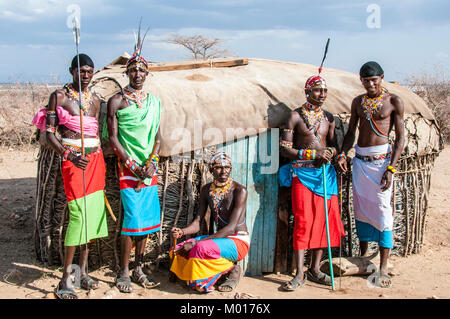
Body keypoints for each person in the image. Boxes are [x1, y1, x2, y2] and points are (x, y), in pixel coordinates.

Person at [32, 54, 108, 299]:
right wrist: (69, 155)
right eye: (81, 71)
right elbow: (51, 134)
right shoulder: (59, 97)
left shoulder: (95, 100)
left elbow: (98, 131)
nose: (85, 75)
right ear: (71, 71)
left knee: (91, 214)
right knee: (77, 215)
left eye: (89, 71)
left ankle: (83, 272)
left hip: (95, 160)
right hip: (74, 162)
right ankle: (65, 279)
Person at [337, 61, 405, 288]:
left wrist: (391, 168)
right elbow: (351, 132)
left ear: (382, 78)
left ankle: (384, 267)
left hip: (381, 162)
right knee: (362, 208)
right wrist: (342, 154)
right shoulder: (358, 102)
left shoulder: (393, 101)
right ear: (361, 80)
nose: (370, 84)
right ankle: (364, 257)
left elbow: (401, 138)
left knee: (384, 211)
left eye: (374, 80)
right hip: (360, 161)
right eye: (366, 80)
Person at [106, 31, 162, 293]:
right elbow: (113, 140)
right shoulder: (116, 101)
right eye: (133, 71)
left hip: (149, 169)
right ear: (126, 73)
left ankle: (139, 267)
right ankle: (124, 272)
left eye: (142, 71)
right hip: (128, 169)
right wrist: (131, 164)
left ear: (147, 74)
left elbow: (159, 139)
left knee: (148, 221)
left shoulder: (154, 103)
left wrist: (151, 162)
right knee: (131, 221)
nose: (137, 75)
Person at [278, 74, 345, 291]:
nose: (322, 95)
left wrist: (332, 152)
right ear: (307, 92)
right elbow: (285, 148)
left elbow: (335, 146)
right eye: (317, 90)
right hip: (302, 175)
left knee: (323, 223)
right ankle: (299, 274)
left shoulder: (329, 118)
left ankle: (315, 270)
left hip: (325, 176)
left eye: (324, 91)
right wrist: (312, 154)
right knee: (303, 222)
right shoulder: (294, 117)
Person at [170, 152, 250, 293]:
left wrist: (195, 243)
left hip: (238, 241)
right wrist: (182, 232)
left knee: (199, 248)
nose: (224, 171)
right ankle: (225, 268)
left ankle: (229, 269)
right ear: (211, 169)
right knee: (178, 249)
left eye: (227, 167)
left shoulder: (240, 191)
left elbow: (231, 229)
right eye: (219, 167)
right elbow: (197, 222)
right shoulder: (207, 190)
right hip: (219, 240)